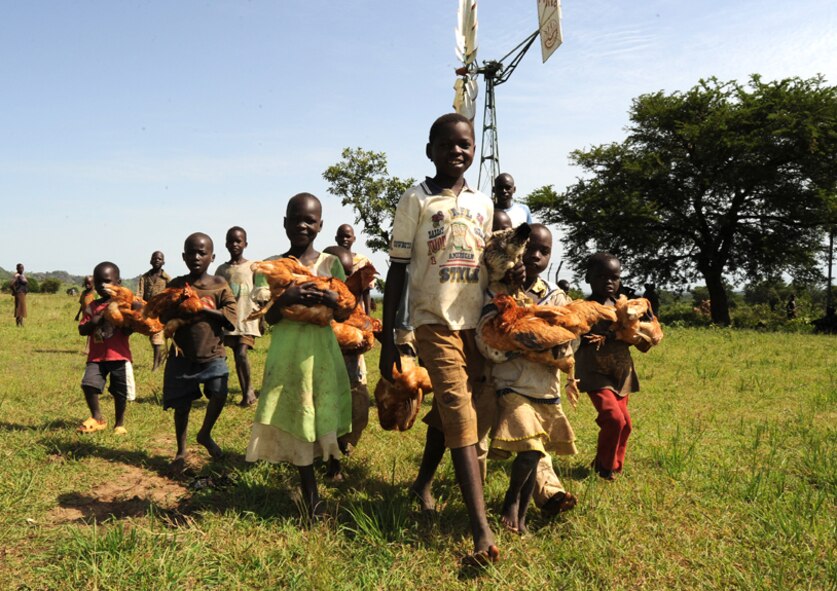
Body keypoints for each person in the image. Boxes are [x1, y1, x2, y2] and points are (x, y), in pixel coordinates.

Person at [379, 113, 498, 566]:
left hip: (477, 326)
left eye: (465, 144)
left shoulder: (483, 204)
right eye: (447, 144)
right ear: (429, 150)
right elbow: (396, 270)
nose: (457, 151)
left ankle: (422, 482)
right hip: (433, 320)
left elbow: (494, 269)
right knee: (459, 409)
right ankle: (481, 532)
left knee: (465, 407)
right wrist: (392, 335)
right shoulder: (416, 199)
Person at [246, 193, 353, 519]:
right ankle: (311, 493)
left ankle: (329, 464)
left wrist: (331, 297)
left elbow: (344, 315)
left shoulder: (330, 265)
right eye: (296, 219)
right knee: (298, 414)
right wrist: (286, 297)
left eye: (310, 220)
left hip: (321, 354)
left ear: (321, 225)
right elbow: (270, 319)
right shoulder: (271, 267)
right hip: (288, 354)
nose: (302, 226)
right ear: (285, 223)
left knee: (320, 412)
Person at [477, 224, 578, 534]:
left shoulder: (555, 295)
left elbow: (571, 338)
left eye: (544, 251)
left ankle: (522, 505)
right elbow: (487, 338)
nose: (535, 255)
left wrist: (542, 345)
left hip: (545, 389)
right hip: (510, 385)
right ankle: (511, 503)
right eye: (530, 247)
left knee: (532, 453)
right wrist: (524, 344)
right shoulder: (496, 291)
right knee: (532, 448)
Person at [576, 253, 653, 480]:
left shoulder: (626, 307)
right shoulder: (584, 308)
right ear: (588, 277)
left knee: (625, 424)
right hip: (594, 371)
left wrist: (638, 332)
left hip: (620, 371)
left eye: (614, 277)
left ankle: (608, 462)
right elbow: (573, 335)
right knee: (613, 419)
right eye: (601, 276)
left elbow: (643, 340)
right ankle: (605, 469)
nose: (609, 282)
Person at [162, 233, 236, 465]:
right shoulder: (176, 286)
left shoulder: (219, 286)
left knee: (220, 392)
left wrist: (204, 311)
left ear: (212, 257)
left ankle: (204, 433)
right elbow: (162, 314)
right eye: (191, 252)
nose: (196, 257)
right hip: (181, 355)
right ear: (183, 256)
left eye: (202, 253)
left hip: (213, 353)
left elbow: (232, 318)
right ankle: (181, 451)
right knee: (181, 406)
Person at [320, 245, 370, 480]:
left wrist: (365, 340)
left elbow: (367, 325)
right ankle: (333, 463)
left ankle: (345, 443)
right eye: (340, 273)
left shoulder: (354, 303)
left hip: (353, 369)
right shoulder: (322, 301)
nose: (346, 279)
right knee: (330, 413)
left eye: (349, 273)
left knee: (359, 410)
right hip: (327, 370)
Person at [76, 262, 135, 434]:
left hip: (118, 356)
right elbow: (82, 329)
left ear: (118, 282)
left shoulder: (123, 305)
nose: (103, 286)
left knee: (120, 391)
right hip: (96, 356)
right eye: (99, 282)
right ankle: (97, 417)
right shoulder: (92, 307)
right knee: (88, 384)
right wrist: (97, 318)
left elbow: (129, 329)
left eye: (108, 281)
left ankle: (119, 423)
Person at [215, 226, 264, 407]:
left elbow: (260, 293)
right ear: (226, 244)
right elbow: (217, 295)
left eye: (238, 241)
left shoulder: (253, 267)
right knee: (234, 355)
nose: (235, 244)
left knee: (242, 353)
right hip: (229, 320)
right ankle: (240, 393)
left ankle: (249, 390)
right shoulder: (221, 270)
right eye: (231, 241)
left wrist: (262, 318)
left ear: (245, 243)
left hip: (248, 319)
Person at [137, 251, 171, 371]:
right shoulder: (144, 278)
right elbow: (139, 294)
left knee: (157, 338)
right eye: (154, 258)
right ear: (150, 261)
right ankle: (160, 359)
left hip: (161, 313)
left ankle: (155, 367)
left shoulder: (167, 279)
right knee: (152, 337)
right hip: (147, 311)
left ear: (163, 262)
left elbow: (170, 295)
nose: (157, 260)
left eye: (160, 259)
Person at [335, 224, 373, 314]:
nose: (344, 239)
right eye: (341, 236)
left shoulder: (362, 261)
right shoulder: (329, 259)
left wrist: (368, 316)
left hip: (357, 312)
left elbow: (366, 292)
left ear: (354, 239)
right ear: (336, 238)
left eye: (348, 236)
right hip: (336, 311)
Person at [11, 263, 28, 327]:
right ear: (17, 268)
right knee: (19, 309)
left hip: (22, 294)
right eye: (20, 268)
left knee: (21, 309)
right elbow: (11, 284)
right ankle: (19, 324)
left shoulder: (22, 275)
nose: (22, 269)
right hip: (19, 294)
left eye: (23, 268)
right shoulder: (17, 275)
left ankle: (20, 323)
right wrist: (15, 292)